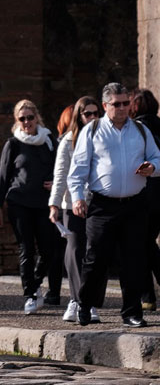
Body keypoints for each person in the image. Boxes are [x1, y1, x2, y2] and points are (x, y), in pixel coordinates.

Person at [68, 82, 160, 328]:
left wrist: (153, 167)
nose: (121, 108)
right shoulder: (93, 130)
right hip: (102, 205)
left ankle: (132, 311)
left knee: (134, 259)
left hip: (135, 203)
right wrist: (77, 197)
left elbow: (156, 156)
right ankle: (84, 304)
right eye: (116, 104)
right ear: (106, 106)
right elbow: (77, 169)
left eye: (125, 103)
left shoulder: (140, 130)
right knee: (96, 258)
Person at [0, 99, 60, 315]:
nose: (26, 122)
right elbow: (3, 176)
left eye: (30, 117)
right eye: (22, 119)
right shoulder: (13, 144)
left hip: (43, 202)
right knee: (26, 249)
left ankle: (36, 282)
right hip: (19, 201)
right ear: (17, 121)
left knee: (48, 249)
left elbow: (61, 165)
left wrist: (55, 182)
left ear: (37, 117)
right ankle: (30, 294)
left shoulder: (48, 140)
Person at [49, 96, 103, 324]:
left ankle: (88, 301)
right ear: (79, 117)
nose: (92, 117)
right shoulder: (68, 141)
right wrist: (54, 204)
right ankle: (77, 299)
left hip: (98, 202)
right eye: (87, 114)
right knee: (75, 248)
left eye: (95, 113)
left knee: (95, 251)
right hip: (72, 203)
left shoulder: (103, 138)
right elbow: (60, 175)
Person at [130, 88, 160, 311]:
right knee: (146, 243)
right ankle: (147, 296)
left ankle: (147, 295)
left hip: (143, 194)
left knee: (142, 244)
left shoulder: (136, 131)